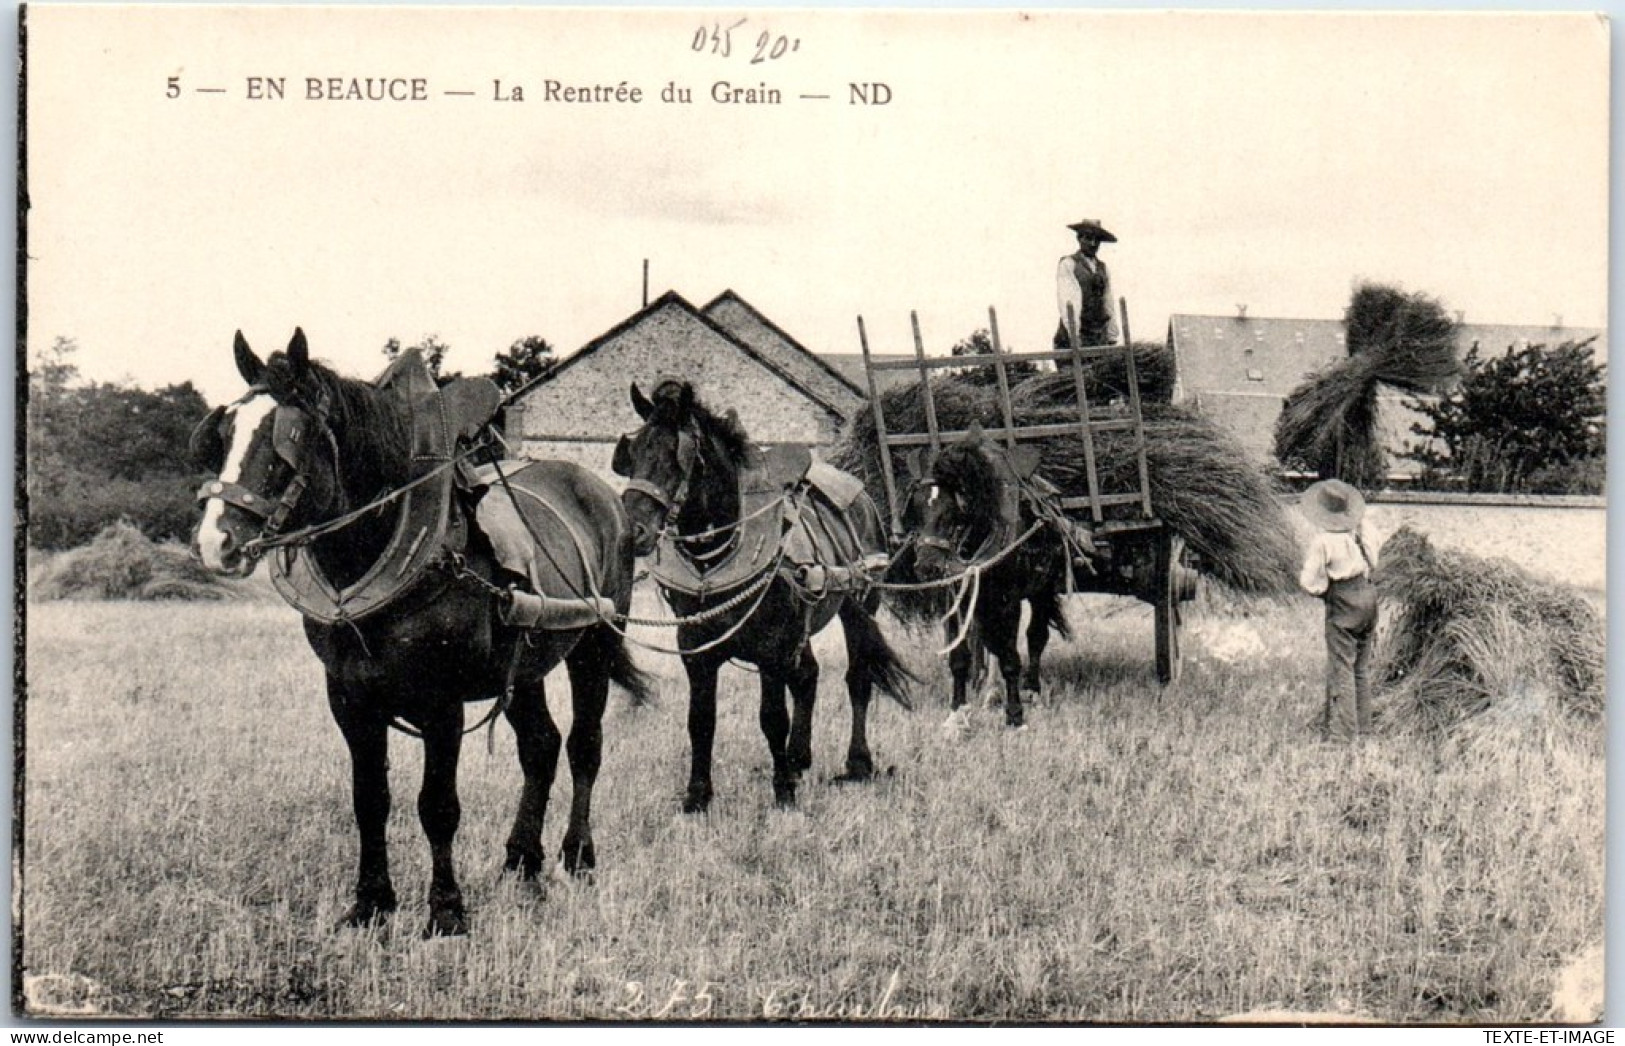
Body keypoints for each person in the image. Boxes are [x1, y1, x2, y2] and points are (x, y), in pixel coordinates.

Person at [1298, 479, 1380, 741]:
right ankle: (1364, 729)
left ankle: (1343, 736)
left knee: (1341, 668)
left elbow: (1309, 583)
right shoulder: (1363, 530)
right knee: (1361, 668)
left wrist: (1325, 592)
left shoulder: (1323, 542)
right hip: (1368, 598)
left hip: (1343, 604)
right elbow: (1375, 562)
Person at [1055, 218, 1122, 349]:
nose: (1093, 243)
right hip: (1073, 337)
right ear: (1079, 238)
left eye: (1097, 240)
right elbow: (1068, 300)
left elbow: (1108, 302)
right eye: (1088, 238)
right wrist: (1074, 334)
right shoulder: (1069, 264)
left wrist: (1112, 335)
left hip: (1098, 336)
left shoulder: (1103, 268)